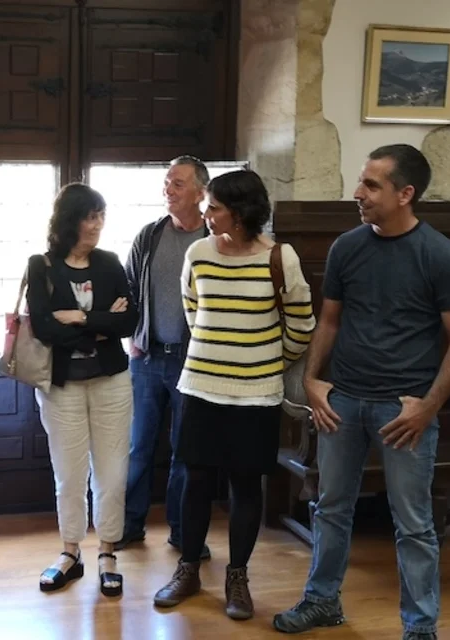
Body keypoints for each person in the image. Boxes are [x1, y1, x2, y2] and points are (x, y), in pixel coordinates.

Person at [273, 144, 450, 640]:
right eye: (361, 181)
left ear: (405, 194)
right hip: (342, 401)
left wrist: (428, 407)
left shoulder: (440, 254)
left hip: (403, 409)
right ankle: (322, 602)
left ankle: (420, 626)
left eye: (371, 185)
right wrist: (312, 382)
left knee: (414, 524)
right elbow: (330, 321)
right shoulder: (347, 247)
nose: (358, 193)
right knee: (330, 508)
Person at [153, 170, 315, 620]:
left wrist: (265, 361)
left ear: (241, 213)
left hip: (256, 393)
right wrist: (220, 349)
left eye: (215, 207)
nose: (206, 214)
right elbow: (193, 310)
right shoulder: (199, 252)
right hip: (200, 387)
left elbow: (301, 325)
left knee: (245, 485)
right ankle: (188, 569)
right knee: (195, 481)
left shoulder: (281, 257)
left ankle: (237, 578)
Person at [25, 184, 137, 595]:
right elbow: (43, 327)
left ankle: (108, 552)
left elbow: (129, 322)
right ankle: (70, 552)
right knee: (69, 474)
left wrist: (80, 318)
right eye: (90, 216)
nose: (97, 224)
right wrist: (101, 324)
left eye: (101, 216)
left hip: (111, 382)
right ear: (69, 220)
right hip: (61, 387)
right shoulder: (41, 265)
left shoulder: (109, 263)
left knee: (113, 474)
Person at [120, 155, 212, 557]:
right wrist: (133, 335)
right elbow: (127, 287)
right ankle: (128, 525)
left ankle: (182, 531)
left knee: (185, 450)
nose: (168, 190)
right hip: (146, 358)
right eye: (166, 182)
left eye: (177, 183)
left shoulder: (213, 238)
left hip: (194, 362)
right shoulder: (150, 235)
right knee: (137, 446)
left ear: (200, 192)